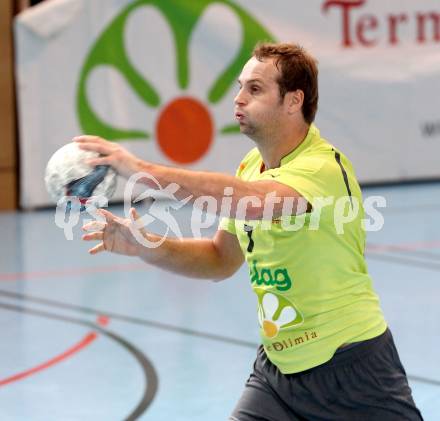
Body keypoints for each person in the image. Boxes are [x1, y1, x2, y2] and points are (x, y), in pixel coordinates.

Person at [77, 43, 422, 420]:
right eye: (240, 87)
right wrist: (146, 246)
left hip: (352, 372)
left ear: (293, 100)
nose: (238, 99)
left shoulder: (323, 168)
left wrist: (141, 170)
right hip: (277, 376)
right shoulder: (251, 166)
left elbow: (251, 202)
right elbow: (219, 260)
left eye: (255, 89)